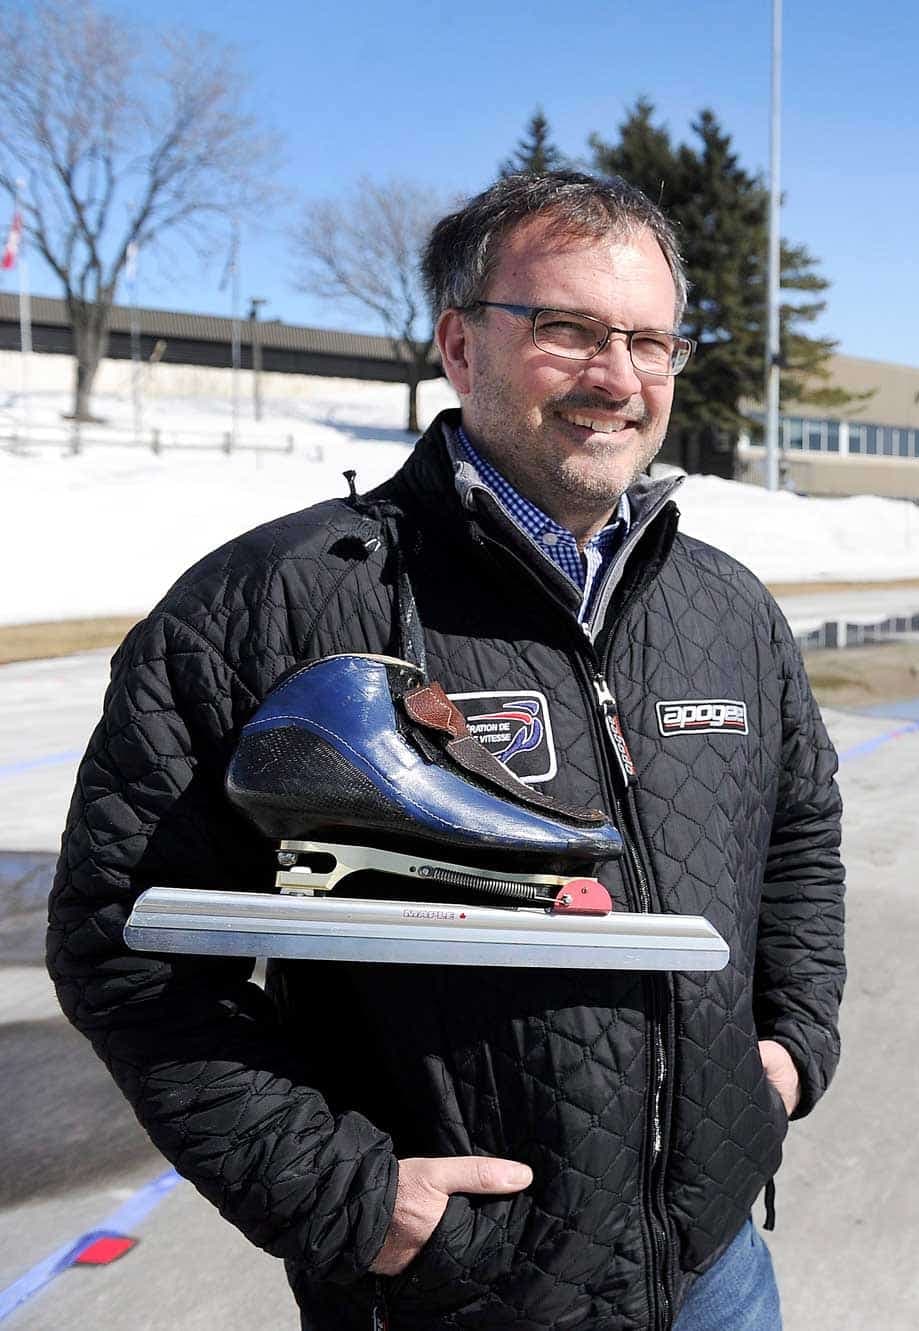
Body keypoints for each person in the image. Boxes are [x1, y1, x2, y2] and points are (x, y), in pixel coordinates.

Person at [45, 170, 845, 1330]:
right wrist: (347, 1194)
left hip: (713, 1266)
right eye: (567, 329)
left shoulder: (726, 609)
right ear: (460, 344)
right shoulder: (269, 606)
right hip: (460, 1289)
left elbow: (799, 836)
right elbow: (125, 942)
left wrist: (787, 1048)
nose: (616, 377)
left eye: (648, 341)